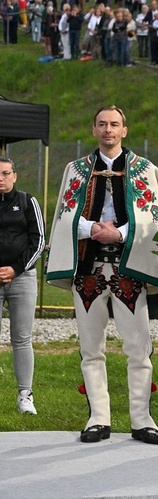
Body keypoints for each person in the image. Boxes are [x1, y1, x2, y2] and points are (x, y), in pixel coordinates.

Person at [47, 106, 158, 445]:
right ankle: (98, 418)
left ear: (124, 130)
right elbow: (65, 214)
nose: (108, 130)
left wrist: (120, 234)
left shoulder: (145, 170)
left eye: (114, 124)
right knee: (90, 348)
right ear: (94, 129)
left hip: (130, 268)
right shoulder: (76, 170)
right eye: (102, 124)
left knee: (138, 347)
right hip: (88, 267)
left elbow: (154, 218)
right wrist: (90, 228)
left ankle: (142, 420)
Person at [0, 157, 45, 415]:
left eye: (6, 173)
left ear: (14, 176)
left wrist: (16, 268)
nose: (1, 179)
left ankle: (25, 395)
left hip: (22, 278)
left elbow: (38, 240)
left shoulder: (28, 202)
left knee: (22, 338)